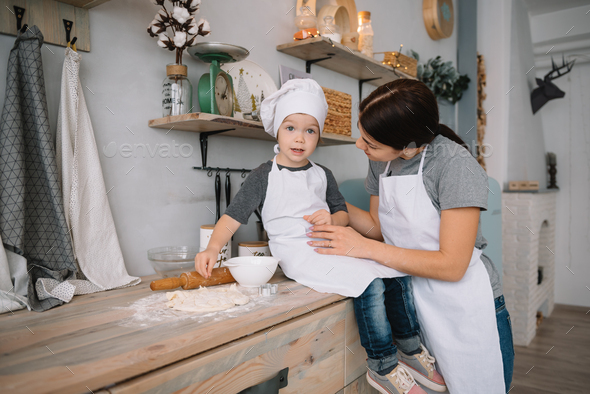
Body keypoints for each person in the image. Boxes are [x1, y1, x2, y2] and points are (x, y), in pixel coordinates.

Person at [194, 79, 445, 394]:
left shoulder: (322, 174)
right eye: (290, 128)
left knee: (395, 272)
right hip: (299, 253)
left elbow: (341, 214)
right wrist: (212, 248)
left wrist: (331, 218)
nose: (299, 138)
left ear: (318, 136)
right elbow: (232, 217)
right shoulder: (262, 176)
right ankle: (382, 365)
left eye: (309, 130)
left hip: (331, 244)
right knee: (368, 282)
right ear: (277, 131)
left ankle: (410, 348)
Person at [306, 79, 514, 394]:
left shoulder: (455, 166)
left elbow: (452, 265)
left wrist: (364, 249)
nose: (360, 146)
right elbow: (379, 226)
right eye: (361, 135)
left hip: (465, 308)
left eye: (370, 143)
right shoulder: (382, 163)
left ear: (410, 147)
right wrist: (330, 200)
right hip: (413, 303)